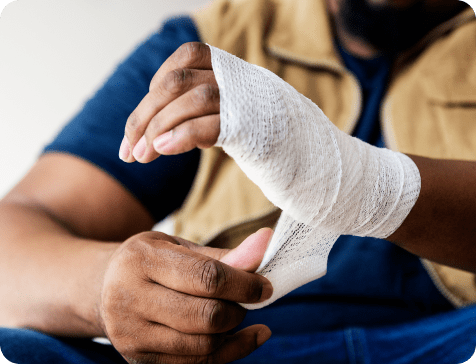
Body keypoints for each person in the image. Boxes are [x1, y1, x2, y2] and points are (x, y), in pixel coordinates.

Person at [1, 0, 476, 363]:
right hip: (232, 348)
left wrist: (351, 180)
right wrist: (106, 287)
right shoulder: (214, 44)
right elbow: (13, 244)